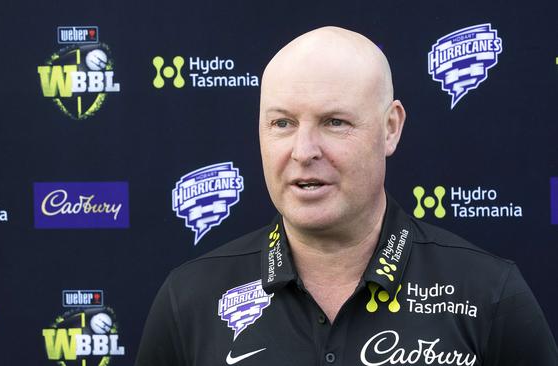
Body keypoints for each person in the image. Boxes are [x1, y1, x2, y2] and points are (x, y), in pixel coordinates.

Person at [135, 26, 558, 366]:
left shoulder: (490, 292)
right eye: (282, 123)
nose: (303, 151)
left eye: (334, 122)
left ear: (391, 128)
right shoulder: (189, 298)